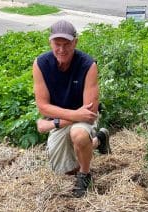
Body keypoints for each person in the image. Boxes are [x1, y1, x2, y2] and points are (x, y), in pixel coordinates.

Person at [32, 19, 111, 198]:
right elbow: (43, 107)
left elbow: (89, 114)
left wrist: (52, 124)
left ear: (75, 42)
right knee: (66, 172)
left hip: (82, 119)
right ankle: (99, 140)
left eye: (67, 44)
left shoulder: (88, 65)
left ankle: (85, 174)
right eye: (57, 44)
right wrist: (73, 115)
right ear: (50, 42)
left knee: (79, 135)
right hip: (71, 115)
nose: (62, 49)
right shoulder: (40, 64)